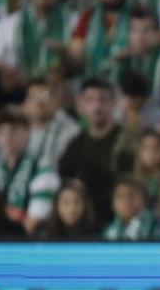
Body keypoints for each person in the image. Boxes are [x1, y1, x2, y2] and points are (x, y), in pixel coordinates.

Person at [57, 78, 134, 226]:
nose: (97, 106)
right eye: (90, 100)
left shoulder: (127, 141)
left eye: (103, 100)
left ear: (113, 103)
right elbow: (65, 178)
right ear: (81, 104)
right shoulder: (75, 144)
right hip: (83, 220)